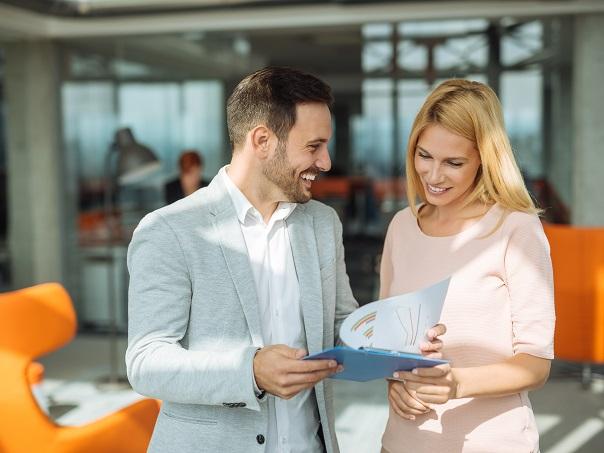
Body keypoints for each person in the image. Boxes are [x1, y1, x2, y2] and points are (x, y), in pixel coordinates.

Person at [126, 66, 446, 453]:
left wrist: (400, 340)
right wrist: (251, 371)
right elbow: (147, 362)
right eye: (313, 147)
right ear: (262, 140)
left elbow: (342, 323)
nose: (326, 162)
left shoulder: (322, 223)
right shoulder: (170, 230)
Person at [379, 79, 555, 453]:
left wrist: (456, 384)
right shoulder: (402, 226)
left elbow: (536, 365)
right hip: (403, 442)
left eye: (453, 163)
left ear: (483, 159)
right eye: (424, 155)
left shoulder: (516, 229)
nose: (434, 175)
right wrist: (394, 384)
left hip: (492, 443)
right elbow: (388, 344)